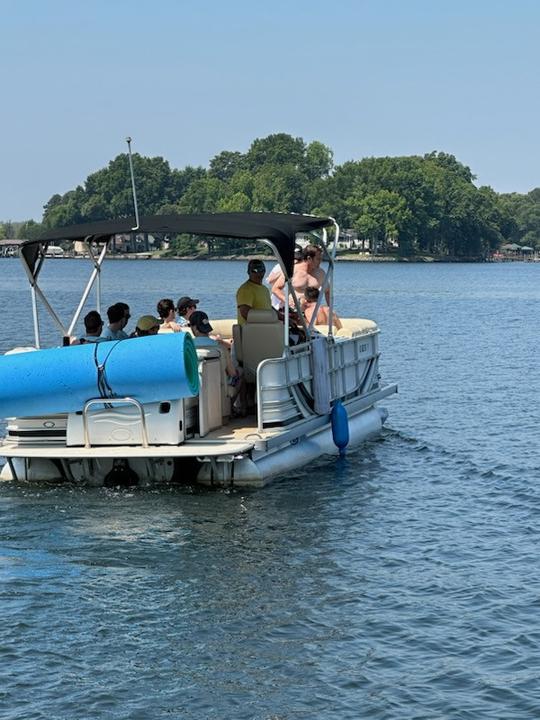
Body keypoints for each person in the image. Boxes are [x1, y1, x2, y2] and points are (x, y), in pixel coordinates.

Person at [236, 259, 272, 325]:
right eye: (254, 271)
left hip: (266, 328)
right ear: (248, 272)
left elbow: (269, 308)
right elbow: (245, 313)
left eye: (261, 270)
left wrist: (283, 317)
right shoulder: (245, 290)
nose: (258, 273)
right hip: (252, 332)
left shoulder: (265, 289)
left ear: (265, 271)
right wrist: (267, 321)